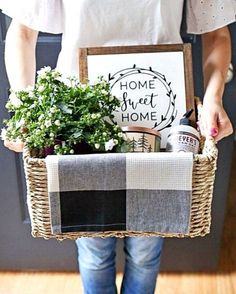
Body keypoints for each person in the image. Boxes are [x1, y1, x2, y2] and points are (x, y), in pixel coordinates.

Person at [0, 1, 234, 293]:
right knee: (93, 251)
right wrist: (27, 108)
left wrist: (213, 98)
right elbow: (22, 30)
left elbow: (216, 33)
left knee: (146, 252)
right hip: (78, 121)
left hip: (160, 119)